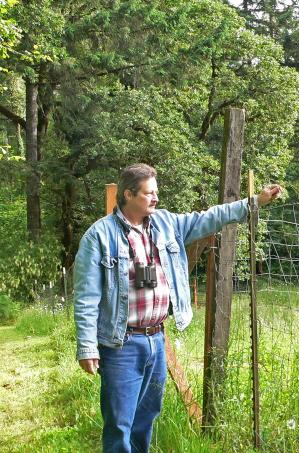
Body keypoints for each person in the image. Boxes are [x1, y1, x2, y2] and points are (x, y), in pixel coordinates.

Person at [74, 163, 281, 453]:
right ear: (128, 194)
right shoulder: (99, 236)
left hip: (157, 340)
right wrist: (87, 347)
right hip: (121, 344)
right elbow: (86, 297)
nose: (156, 198)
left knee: (146, 418)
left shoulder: (166, 223)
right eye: (149, 193)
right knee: (120, 423)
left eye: (156, 192)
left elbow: (211, 217)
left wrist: (254, 202)